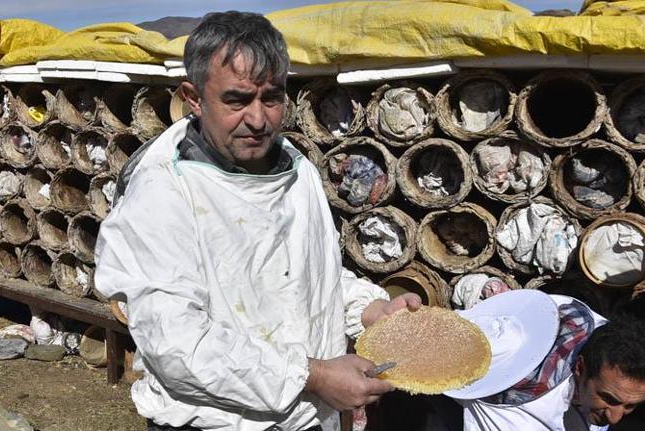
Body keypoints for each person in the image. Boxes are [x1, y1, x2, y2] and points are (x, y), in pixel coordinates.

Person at [94, 11, 421, 431]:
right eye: (236, 99)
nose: (258, 118)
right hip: (216, 423)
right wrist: (315, 376)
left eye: (272, 97)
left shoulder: (293, 168)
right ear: (193, 97)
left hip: (306, 417)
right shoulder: (161, 192)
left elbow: (306, 274)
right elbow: (176, 342)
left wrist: (371, 310)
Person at [454, 292, 645, 431]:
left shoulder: (603, 335)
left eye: (630, 406)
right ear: (580, 368)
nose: (615, 418)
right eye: (609, 399)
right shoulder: (519, 405)